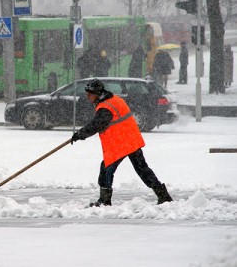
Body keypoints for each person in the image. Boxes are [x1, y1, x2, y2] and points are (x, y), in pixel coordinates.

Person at [71, 78, 173, 207]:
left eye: (89, 94)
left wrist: (80, 134)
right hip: (131, 139)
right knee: (142, 169)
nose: (87, 97)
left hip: (120, 142)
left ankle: (105, 200)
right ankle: (163, 195)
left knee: (107, 169)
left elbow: (96, 125)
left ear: (97, 94)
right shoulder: (113, 99)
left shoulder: (105, 107)